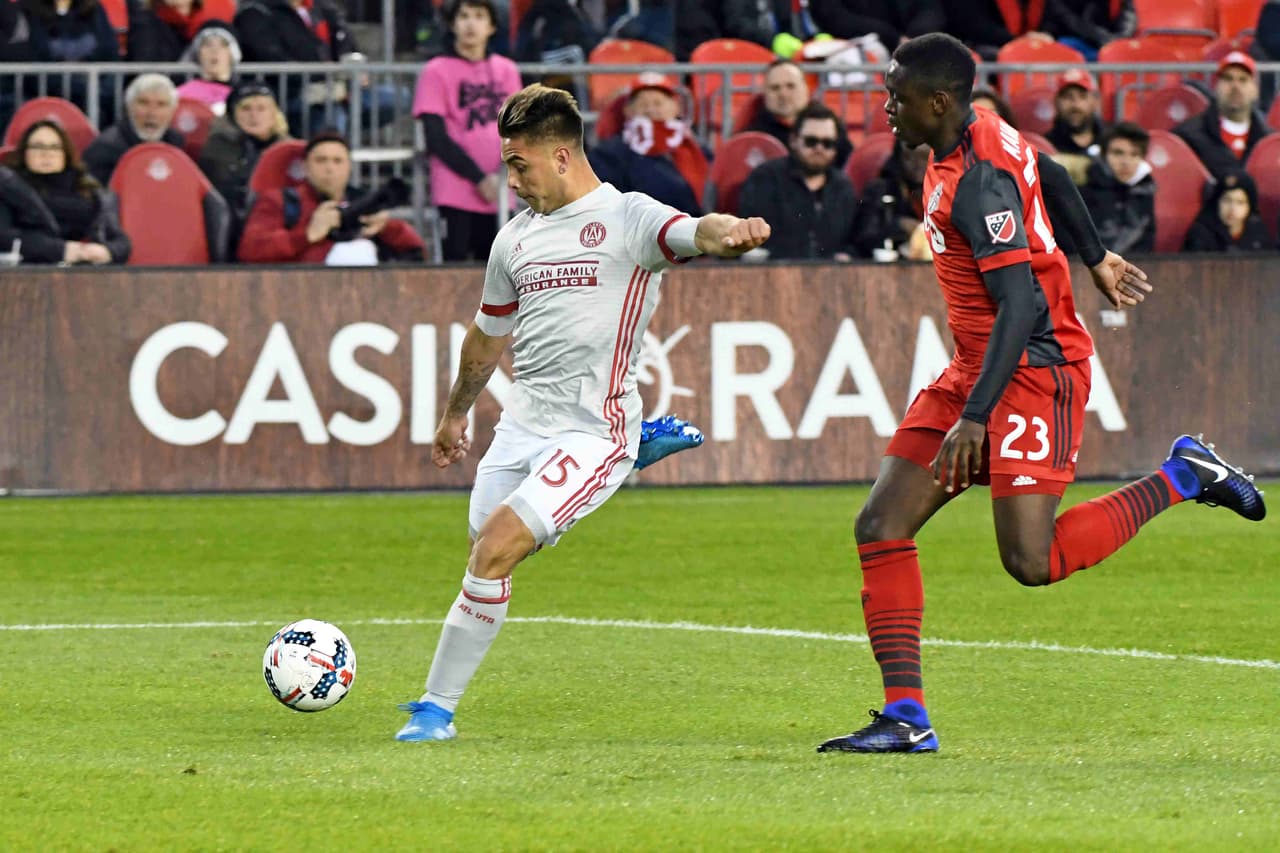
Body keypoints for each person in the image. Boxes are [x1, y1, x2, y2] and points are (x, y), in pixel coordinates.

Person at [817, 33, 1265, 755]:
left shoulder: (978, 184)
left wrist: (975, 418)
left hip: (1034, 370)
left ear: (939, 102)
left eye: (898, 96)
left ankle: (1184, 476)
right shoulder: (983, 132)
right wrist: (1095, 254)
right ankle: (906, 717)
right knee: (880, 524)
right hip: (977, 364)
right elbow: (1049, 169)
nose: (887, 108)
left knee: (1031, 561)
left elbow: (1021, 305)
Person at [393, 83, 771, 743]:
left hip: (594, 431)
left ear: (562, 156)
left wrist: (728, 233)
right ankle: (637, 451)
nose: (511, 181)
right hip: (522, 425)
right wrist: (455, 414)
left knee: (496, 549)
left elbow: (692, 230)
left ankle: (435, 710)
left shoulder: (628, 218)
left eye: (520, 166)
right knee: (484, 546)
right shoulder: (514, 240)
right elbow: (487, 336)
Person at [413, 0, 521, 262]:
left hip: (500, 188)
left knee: (498, 270)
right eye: (463, 16)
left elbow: (519, 128)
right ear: (452, 25)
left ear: (492, 26)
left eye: (479, 16)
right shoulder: (435, 70)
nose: (471, 24)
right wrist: (479, 178)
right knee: (454, 268)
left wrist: (502, 173)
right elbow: (436, 137)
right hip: (455, 190)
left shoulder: (507, 70)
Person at [237, 130, 425, 264]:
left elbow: (418, 253)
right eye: (321, 160)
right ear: (305, 168)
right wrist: (307, 234)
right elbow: (250, 250)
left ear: (349, 167)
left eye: (337, 161)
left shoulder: (363, 201)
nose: (329, 168)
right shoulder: (281, 201)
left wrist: (385, 228)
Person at [738, 101, 858, 260]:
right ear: (794, 140)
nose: (819, 149)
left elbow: (853, 243)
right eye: (811, 141)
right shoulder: (765, 178)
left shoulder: (843, 187)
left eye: (828, 143)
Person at [0, 119, 130, 263]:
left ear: (65, 153)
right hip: (30, 269)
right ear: (24, 152)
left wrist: (107, 252)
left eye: (55, 147)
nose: (46, 154)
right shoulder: (8, 188)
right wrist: (61, 250)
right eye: (37, 146)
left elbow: (121, 243)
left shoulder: (91, 191)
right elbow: (4, 237)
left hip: (85, 269)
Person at [588, 73, 708, 216]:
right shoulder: (608, 154)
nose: (651, 109)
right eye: (643, 104)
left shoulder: (697, 150)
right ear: (628, 110)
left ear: (676, 108)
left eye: (658, 103)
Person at [198, 81, 290, 228]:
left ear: (274, 113)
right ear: (233, 113)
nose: (254, 115)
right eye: (245, 108)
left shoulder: (288, 149)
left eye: (261, 108)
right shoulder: (217, 148)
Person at [1173, 52, 1274, 182]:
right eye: (1228, 79)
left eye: (1243, 80)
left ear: (1255, 90)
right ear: (1216, 87)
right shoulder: (1188, 136)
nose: (1235, 86)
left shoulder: (1268, 141)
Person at [82, 74, 185, 184]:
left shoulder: (175, 141)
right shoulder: (106, 147)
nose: (152, 113)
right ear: (129, 107)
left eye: (161, 104)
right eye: (144, 103)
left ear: (173, 111)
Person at [1080, 122, 1155, 256]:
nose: (1126, 162)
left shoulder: (1145, 192)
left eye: (1134, 154)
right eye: (1118, 153)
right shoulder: (1083, 191)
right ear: (1103, 155)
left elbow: (1147, 242)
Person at [851, 138, 930, 259]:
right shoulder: (880, 189)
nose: (916, 164)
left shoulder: (949, 189)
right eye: (909, 157)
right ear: (898, 157)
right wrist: (898, 226)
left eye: (924, 157)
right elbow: (863, 239)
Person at [1183, 171, 1272, 253]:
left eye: (1240, 202)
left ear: (1249, 207)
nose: (1232, 209)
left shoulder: (1257, 231)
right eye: (1226, 200)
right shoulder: (1200, 233)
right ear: (1216, 203)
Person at [1044, 68, 1104, 185]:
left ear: (1095, 101)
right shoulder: (1046, 144)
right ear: (1056, 102)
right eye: (1068, 97)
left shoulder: (1109, 140)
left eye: (1082, 96)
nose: (1075, 104)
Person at [174, 23, 242, 116]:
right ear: (198, 53)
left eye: (223, 45)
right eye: (208, 45)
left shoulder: (244, 96)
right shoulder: (179, 95)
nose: (215, 51)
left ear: (232, 53)